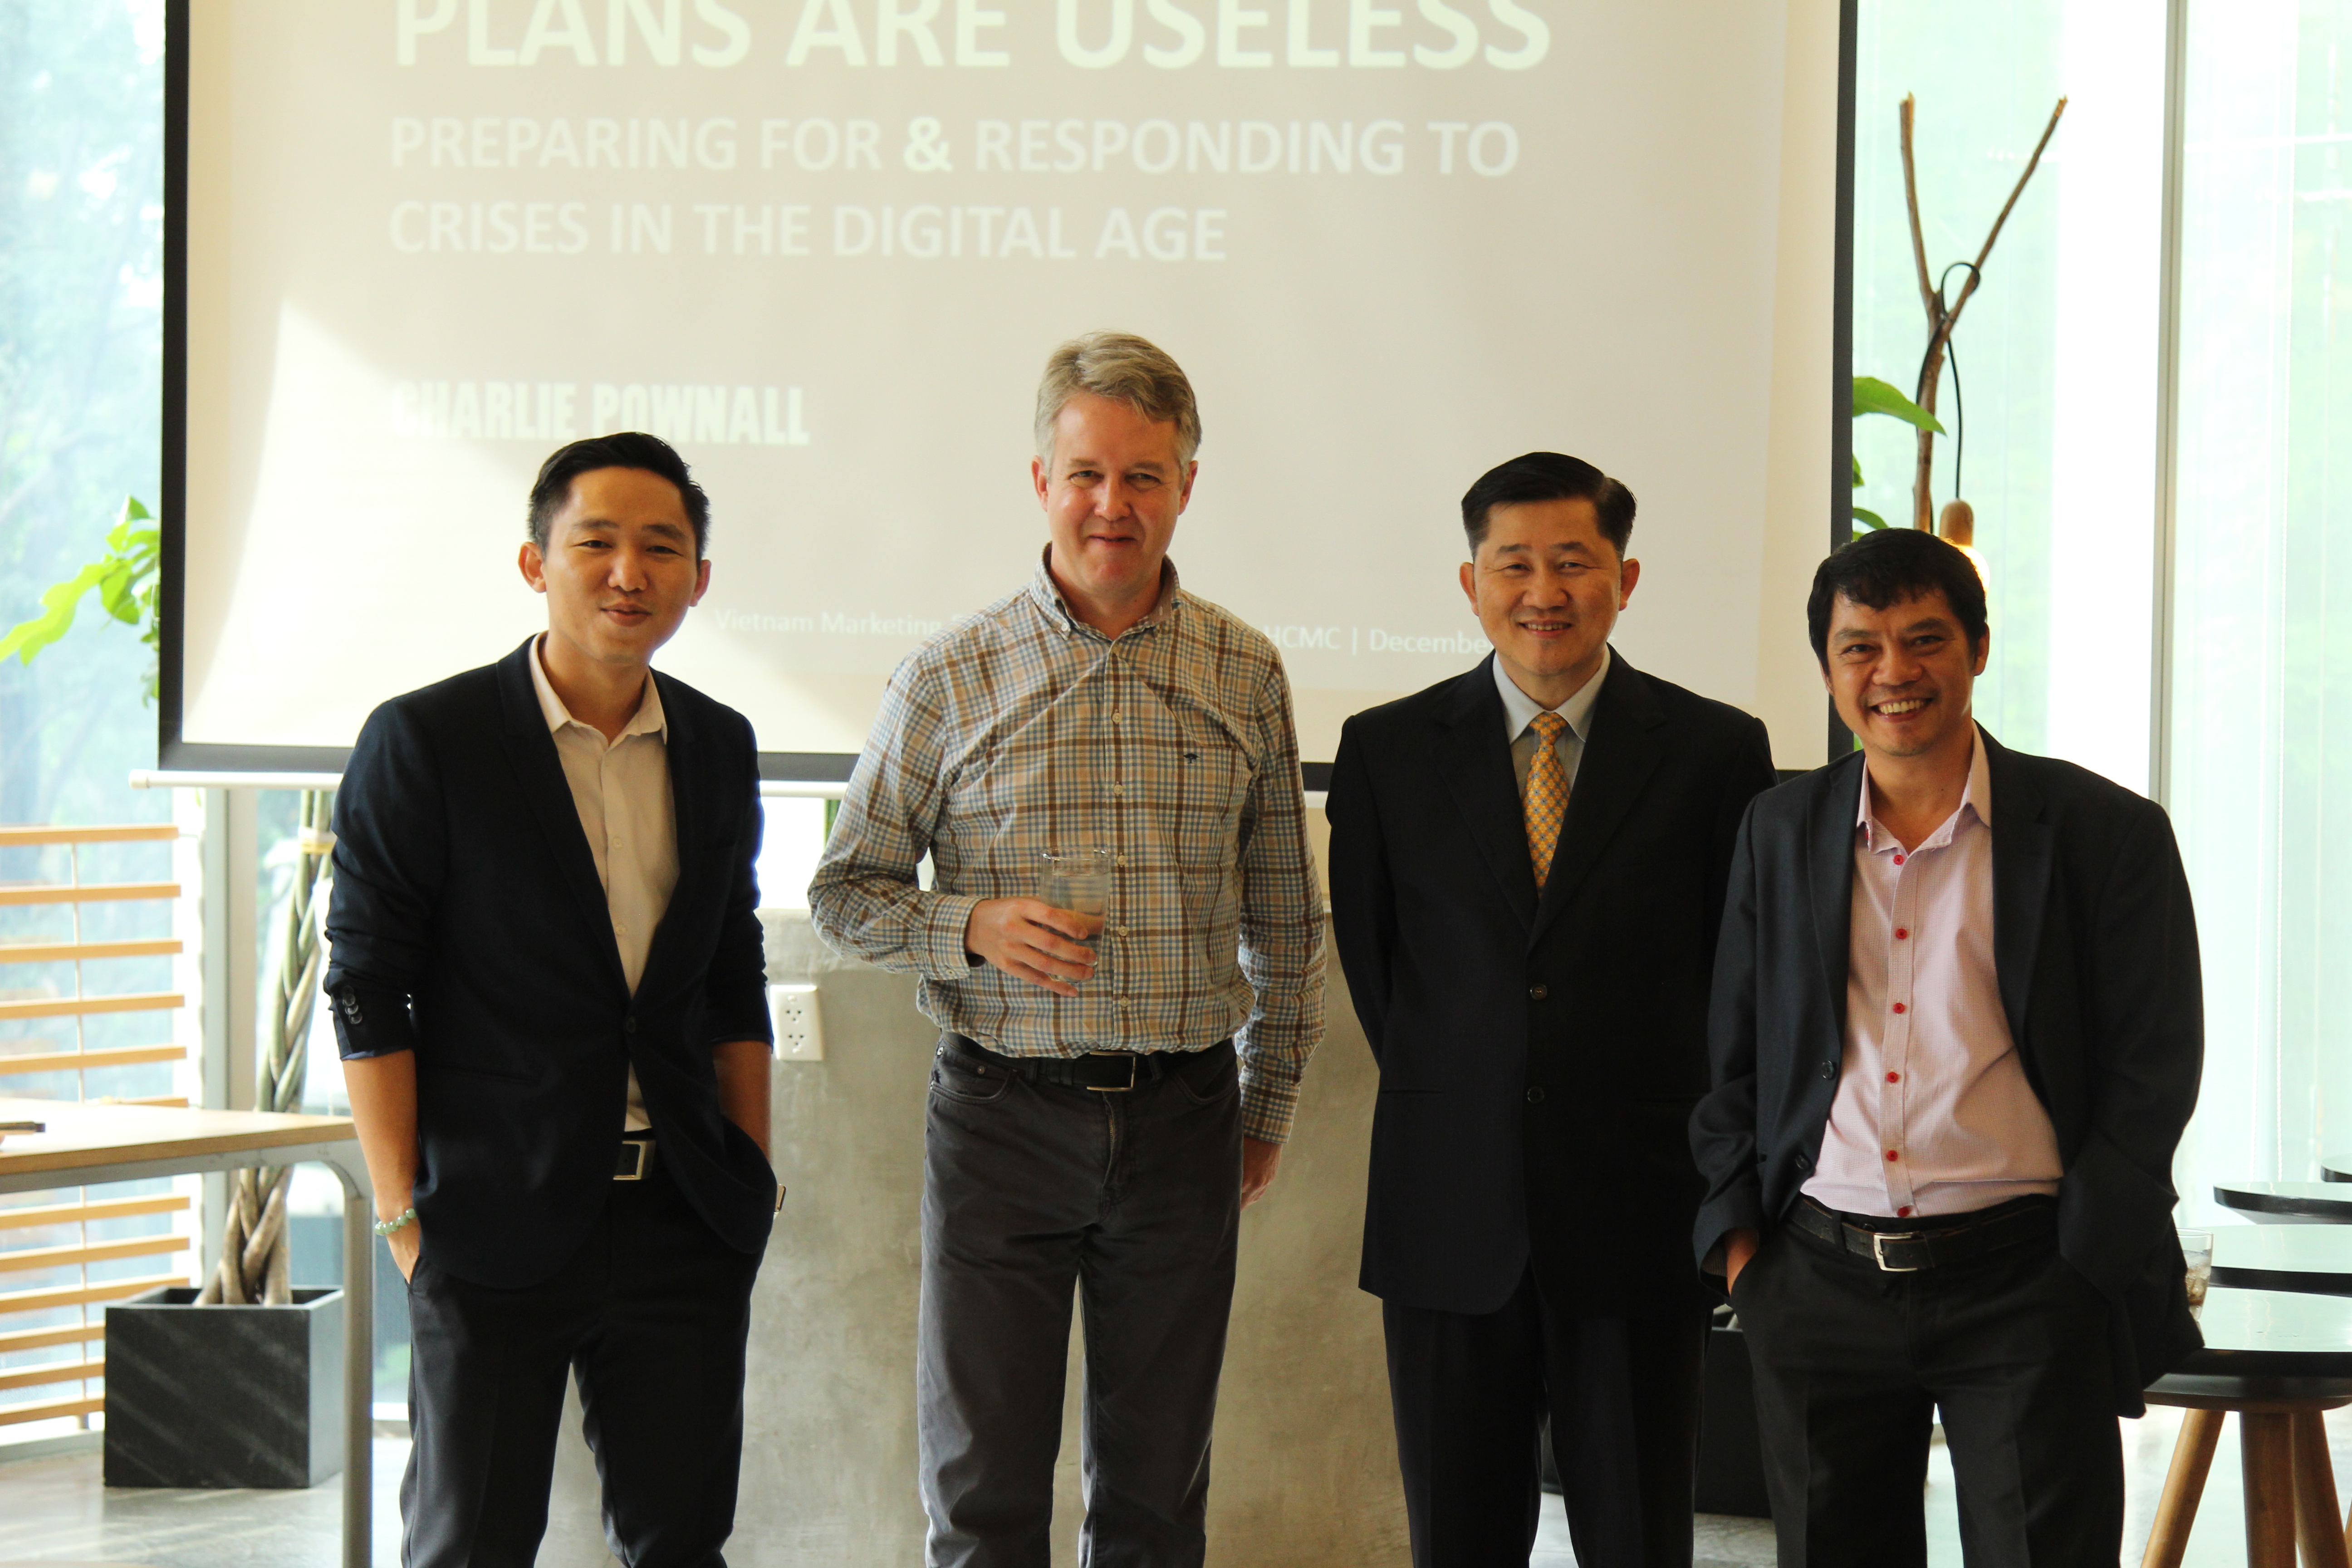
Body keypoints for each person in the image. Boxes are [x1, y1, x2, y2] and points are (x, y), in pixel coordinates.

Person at [808, 330, 1324, 1568]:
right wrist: (970, 926)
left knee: (1157, 1495)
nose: (1113, 505)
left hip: (1184, 1120)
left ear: (1187, 485)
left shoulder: (1245, 672)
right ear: (1042, 479)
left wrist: (1265, 1111)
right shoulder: (948, 675)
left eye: (1144, 475)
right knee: (982, 1488)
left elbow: (1285, 924)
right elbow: (843, 895)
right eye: (1087, 473)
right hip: (1001, 1118)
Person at [1690, 527, 2204, 1566]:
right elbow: (1734, 1050)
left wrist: (2085, 1264)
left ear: (1978, 647)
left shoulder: (2105, 832)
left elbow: (2153, 1068)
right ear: (1829, 669)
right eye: (1860, 647)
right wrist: (1747, 1257)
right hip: (1817, 1280)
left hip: (2028, 1283)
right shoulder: (1777, 830)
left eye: (1925, 639)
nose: (1894, 672)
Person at [324, 431, 782, 1568]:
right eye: (597, 543)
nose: (631, 573)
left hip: (680, 1216)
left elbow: (732, 971)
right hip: (488, 1220)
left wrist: (748, 1177)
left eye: (661, 548)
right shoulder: (428, 740)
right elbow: (368, 984)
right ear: (536, 563)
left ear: (698, 580)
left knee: (682, 1545)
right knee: (470, 1546)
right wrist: (403, 1213)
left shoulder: (718, 743)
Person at [1324, 451, 1777, 1568]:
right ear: (1470, 582)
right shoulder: (1385, 751)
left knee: (1639, 1533)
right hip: (1449, 1209)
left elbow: (1741, 980)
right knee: (1458, 1537)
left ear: (1626, 579)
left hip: (1638, 1212)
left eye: (1573, 562)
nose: (1544, 592)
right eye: (1514, 564)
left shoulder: (1717, 751)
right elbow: (1382, 975)